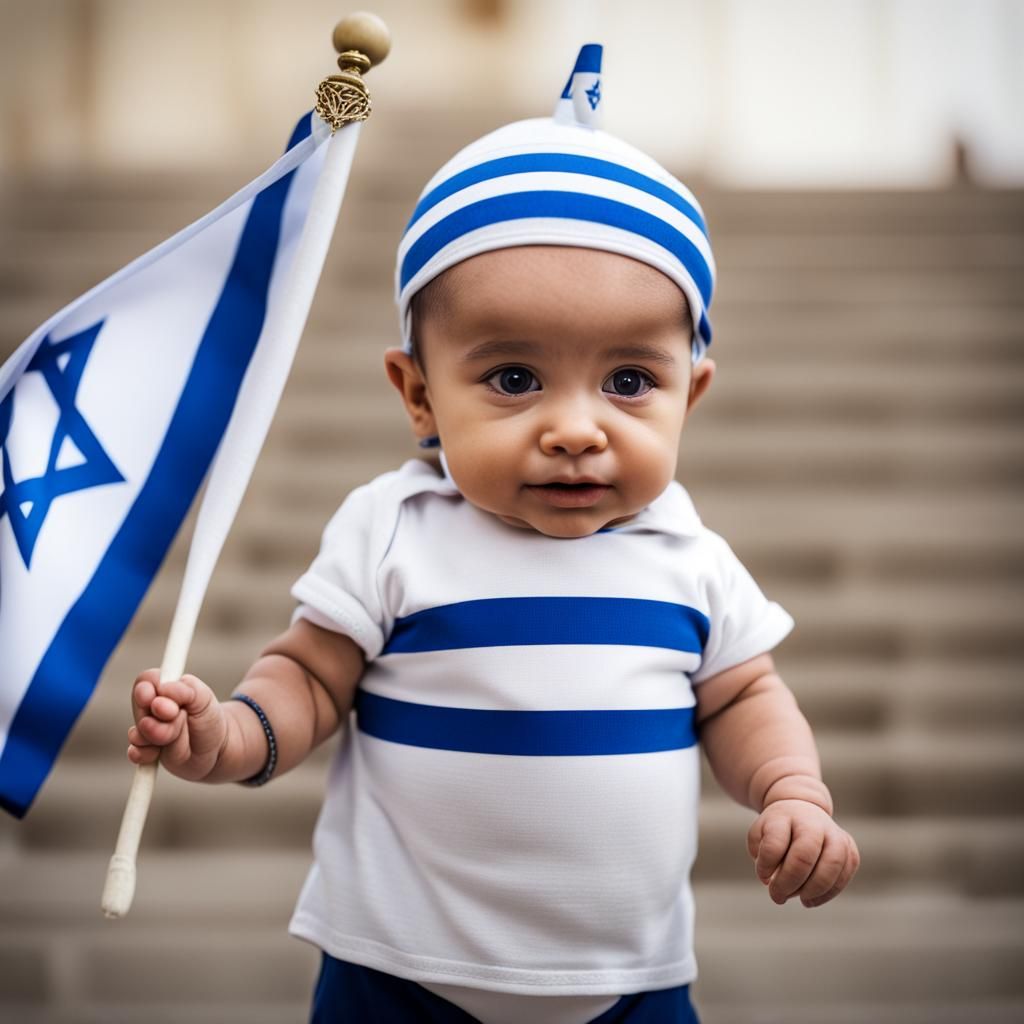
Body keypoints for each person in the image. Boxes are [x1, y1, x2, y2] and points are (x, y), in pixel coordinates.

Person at [127, 45, 859, 1024]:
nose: (573, 426)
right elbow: (305, 681)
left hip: (627, 986)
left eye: (629, 381)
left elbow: (741, 698)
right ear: (419, 394)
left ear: (694, 393)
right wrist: (224, 734)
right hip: (395, 975)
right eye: (514, 378)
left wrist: (792, 791)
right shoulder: (394, 531)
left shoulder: (691, 560)